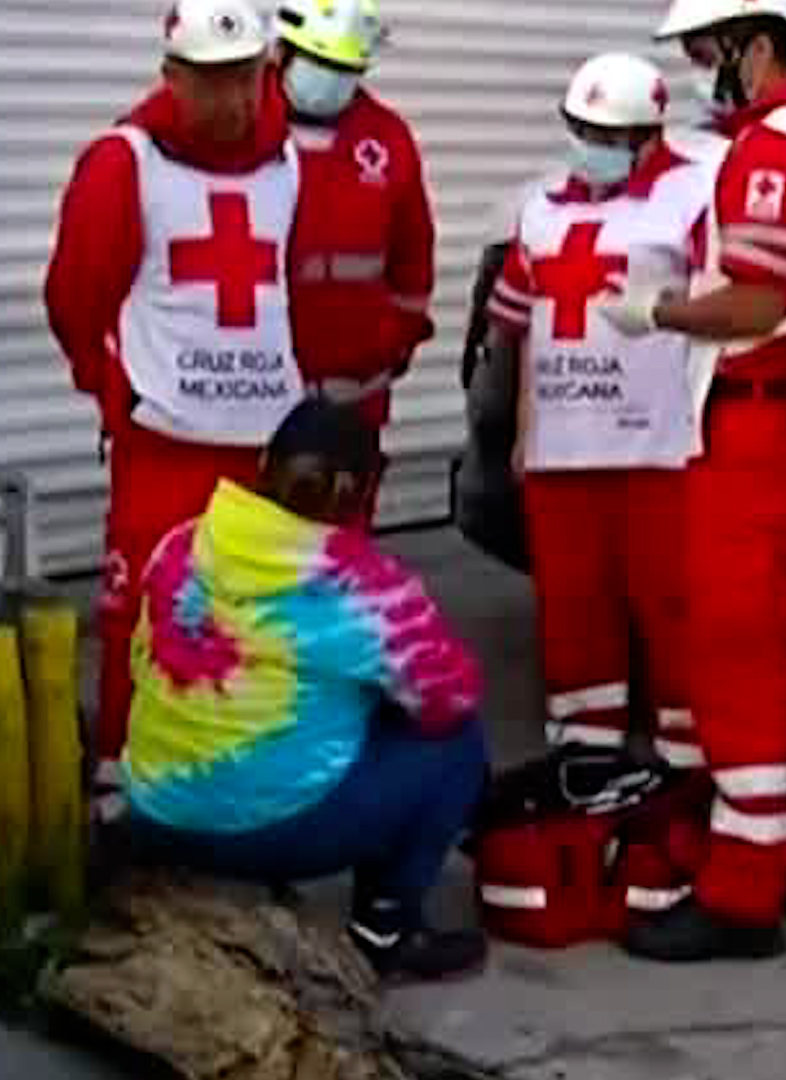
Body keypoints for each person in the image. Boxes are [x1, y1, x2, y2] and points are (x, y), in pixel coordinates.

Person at [599, 0, 786, 962]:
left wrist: (659, 311)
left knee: (735, 655)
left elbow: (757, 301)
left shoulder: (776, 148)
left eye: (706, 51)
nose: (698, 69)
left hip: (757, 418)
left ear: (757, 45)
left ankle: (742, 893)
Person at [121, 397, 489, 982]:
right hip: (259, 831)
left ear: (263, 464)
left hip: (154, 809)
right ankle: (387, 928)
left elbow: (141, 662)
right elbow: (452, 698)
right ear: (365, 491)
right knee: (456, 746)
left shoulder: (182, 544)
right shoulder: (366, 588)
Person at [44, 0, 306, 801]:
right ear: (171, 78)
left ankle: (231, 775)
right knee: (141, 614)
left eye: (245, 79)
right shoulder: (123, 162)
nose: (232, 100)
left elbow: (292, 290)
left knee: (253, 617)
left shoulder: (288, 161)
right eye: (210, 81)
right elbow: (76, 297)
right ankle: (123, 778)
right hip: (163, 440)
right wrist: (115, 392)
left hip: (262, 441)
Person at [481, 53, 715, 760]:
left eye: (608, 137)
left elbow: (723, 314)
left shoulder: (694, 195)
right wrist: (525, 431)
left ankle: (686, 759)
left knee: (673, 608)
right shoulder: (541, 210)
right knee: (572, 610)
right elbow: (521, 326)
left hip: (657, 449)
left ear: (648, 136)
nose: (592, 147)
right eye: (582, 131)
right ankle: (583, 754)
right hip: (562, 449)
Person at [273, 0, 435, 523]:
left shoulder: (387, 137)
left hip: (356, 399)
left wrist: (396, 339)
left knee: (341, 546)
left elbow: (413, 255)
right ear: (282, 52)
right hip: (258, 398)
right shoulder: (242, 126)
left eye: (346, 68)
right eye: (320, 63)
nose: (331, 80)